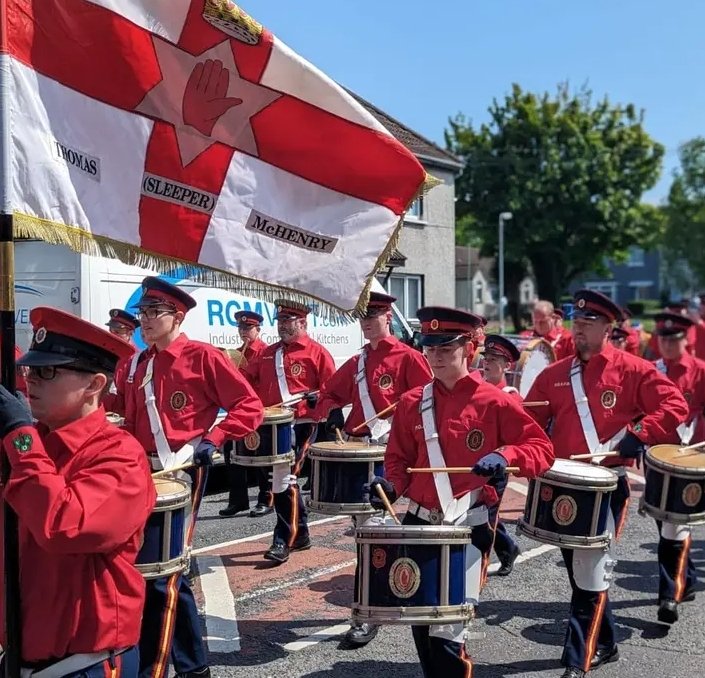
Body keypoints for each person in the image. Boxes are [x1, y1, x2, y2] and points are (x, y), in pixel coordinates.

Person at [368, 306, 554, 678]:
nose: (436, 356)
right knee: (421, 620)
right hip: (419, 523)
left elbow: (541, 447)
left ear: (470, 348)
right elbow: (399, 460)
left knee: (449, 630)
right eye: (430, 347)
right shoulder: (410, 403)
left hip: (468, 527)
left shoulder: (495, 400)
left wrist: (506, 454)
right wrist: (389, 485)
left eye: (446, 348)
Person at [525, 289, 688, 678]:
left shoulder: (634, 370)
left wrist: (640, 432)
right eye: (576, 322)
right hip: (564, 484)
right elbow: (527, 423)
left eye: (588, 323)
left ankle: (576, 660)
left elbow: (675, 405)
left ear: (608, 327)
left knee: (590, 566)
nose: (578, 329)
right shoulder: (553, 375)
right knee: (582, 570)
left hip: (607, 486)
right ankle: (608, 643)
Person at [110, 277, 264, 678]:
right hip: (138, 474)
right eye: (142, 311)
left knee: (166, 572)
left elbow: (248, 406)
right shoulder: (134, 364)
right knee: (144, 570)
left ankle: (166, 667)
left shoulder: (202, 357)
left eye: (152, 312)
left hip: (181, 473)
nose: (144, 320)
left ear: (176, 316)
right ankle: (188, 664)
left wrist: (212, 438)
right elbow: (123, 415)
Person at [0, 306, 155, 677]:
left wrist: (20, 439)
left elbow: (66, 526)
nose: (31, 381)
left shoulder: (120, 454)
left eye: (47, 372)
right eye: (30, 371)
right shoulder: (36, 444)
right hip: (22, 653)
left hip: (83, 664)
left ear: (95, 384)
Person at [312, 291, 433, 646]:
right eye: (363, 317)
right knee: (367, 535)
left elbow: (429, 400)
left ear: (388, 318)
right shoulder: (358, 362)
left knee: (383, 534)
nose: (367, 322)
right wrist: (330, 407)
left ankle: (382, 602)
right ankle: (369, 609)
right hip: (360, 453)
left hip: (391, 453)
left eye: (374, 315)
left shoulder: (409, 358)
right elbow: (330, 393)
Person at [245, 299, 337, 564]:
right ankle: (302, 533)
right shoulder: (267, 353)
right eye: (280, 320)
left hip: (302, 423)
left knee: (284, 479)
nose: (282, 325)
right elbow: (246, 383)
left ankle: (283, 538)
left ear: (303, 323)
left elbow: (332, 391)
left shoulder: (317, 353)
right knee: (281, 479)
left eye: (288, 321)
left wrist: (316, 400)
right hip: (271, 425)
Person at [650, 311, 705, 623]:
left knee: (675, 524)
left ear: (686, 340)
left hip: (690, 461)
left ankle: (668, 595)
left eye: (673, 339)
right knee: (667, 523)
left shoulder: (700, 371)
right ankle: (688, 578)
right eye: (663, 339)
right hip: (658, 457)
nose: (667, 345)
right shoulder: (652, 370)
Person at [220, 310, 272, 518]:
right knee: (232, 456)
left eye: (248, 328)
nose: (244, 332)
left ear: (258, 329)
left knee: (261, 459)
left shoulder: (266, 353)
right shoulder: (236, 353)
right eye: (241, 328)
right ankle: (238, 500)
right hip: (238, 411)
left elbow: (266, 384)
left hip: (257, 412)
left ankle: (265, 498)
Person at [481, 334, 523, 576]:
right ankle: (508, 548)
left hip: (496, 466)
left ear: (507, 365)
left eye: (494, 359)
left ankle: (478, 573)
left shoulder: (511, 395)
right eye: (486, 357)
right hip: (471, 463)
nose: (487, 362)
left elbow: (518, 438)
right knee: (482, 515)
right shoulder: (476, 387)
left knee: (485, 516)